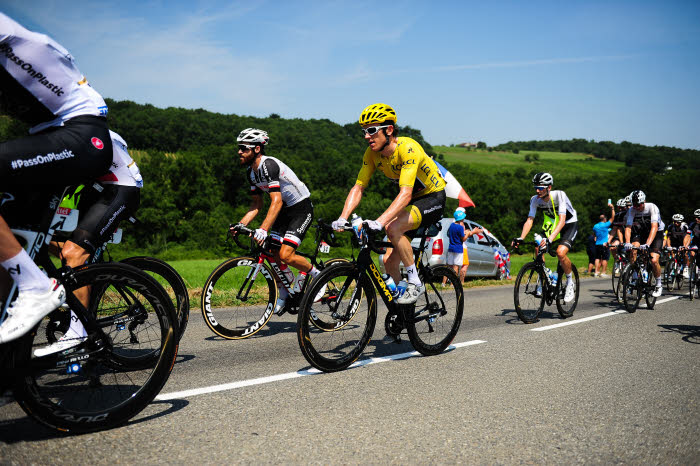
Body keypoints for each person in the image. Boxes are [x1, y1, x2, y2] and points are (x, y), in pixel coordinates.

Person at [0, 13, 112, 344]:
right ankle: (10, 360)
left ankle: (37, 288)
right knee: (14, 236)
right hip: (54, 139)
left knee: (74, 251)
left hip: (82, 136)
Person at [35, 130, 143, 356]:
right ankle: (79, 296)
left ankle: (79, 330)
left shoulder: (80, 126)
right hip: (92, 187)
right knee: (37, 240)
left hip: (120, 188)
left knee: (74, 252)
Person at [332, 103, 446, 304]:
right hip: (410, 204)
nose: (367, 136)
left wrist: (380, 221)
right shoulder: (372, 154)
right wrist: (343, 217)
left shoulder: (408, 148)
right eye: (364, 131)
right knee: (387, 260)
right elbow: (358, 187)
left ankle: (415, 282)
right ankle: (402, 307)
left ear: (389, 130)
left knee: (393, 228)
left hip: (431, 197)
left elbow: (405, 193)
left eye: (372, 130)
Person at [232, 128, 319, 315]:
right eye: (239, 148)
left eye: (243, 148)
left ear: (256, 149)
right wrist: (241, 224)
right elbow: (256, 204)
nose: (239, 151)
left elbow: (276, 200)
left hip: (300, 209)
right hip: (283, 211)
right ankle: (286, 291)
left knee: (286, 254)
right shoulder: (251, 173)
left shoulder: (268, 165)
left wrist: (263, 229)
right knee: (272, 251)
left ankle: (319, 278)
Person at [512, 172, 578, 303]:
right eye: (536, 187)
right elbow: (530, 220)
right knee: (538, 246)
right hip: (552, 224)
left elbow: (562, 220)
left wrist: (550, 240)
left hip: (568, 224)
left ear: (549, 187)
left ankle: (570, 282)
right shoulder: (534, 199)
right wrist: (521, 237)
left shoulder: (560, 195)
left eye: (541, 187)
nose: (537, 190)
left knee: (560, 252)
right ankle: (546, 276)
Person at [623, 190, 664, 297]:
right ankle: (636, 276)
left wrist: (647, 244)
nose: (637, 207)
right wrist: (627, 242)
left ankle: (659, 284)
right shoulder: (632, 210)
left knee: (654, 260)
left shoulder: (652, 207)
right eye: (635, 205)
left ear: (644, 201)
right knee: (633, 250)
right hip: (641, 232)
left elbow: (654, 227)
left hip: (656, 233)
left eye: (639, 204)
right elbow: (628, 227)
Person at [443, 207, 482, 284]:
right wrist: (467, 233)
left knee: (448, 266)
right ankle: (453, 283)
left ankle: (443, 283)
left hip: (451, 248)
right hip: (458, 249)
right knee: (456, 266)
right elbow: (463, 239)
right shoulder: (460, 227)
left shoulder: (451, 225)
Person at [664, 214, 690, 279]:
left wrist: (685, 246)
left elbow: (687, 236)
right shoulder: (671, 226)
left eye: (678, 222)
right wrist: (669, 246)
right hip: (674, 242)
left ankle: (685, 267)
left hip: (683, 241)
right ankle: (674, 267)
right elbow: (668, 238)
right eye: (674, 221)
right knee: (673, 254)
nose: (676, 223)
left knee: (685, 253)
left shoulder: (684, 226)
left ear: (681, 222)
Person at [592, 203, 615, 277]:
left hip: (597, 244)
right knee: (605, 258)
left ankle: (596, 272)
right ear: (605, 219)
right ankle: (603, 272)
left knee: (597, 258)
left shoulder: (595, 226)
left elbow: (594, 234)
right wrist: (612, 209)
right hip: (605, 244)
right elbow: (613, 218)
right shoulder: (606, 225)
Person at [683, 209, 700, 276]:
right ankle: (692, 270)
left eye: (698, 217)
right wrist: (685, 246)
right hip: (696, 242)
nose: (696, 219)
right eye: (695, 217)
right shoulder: (693, 224)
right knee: (692, 254)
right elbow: (688, 235)